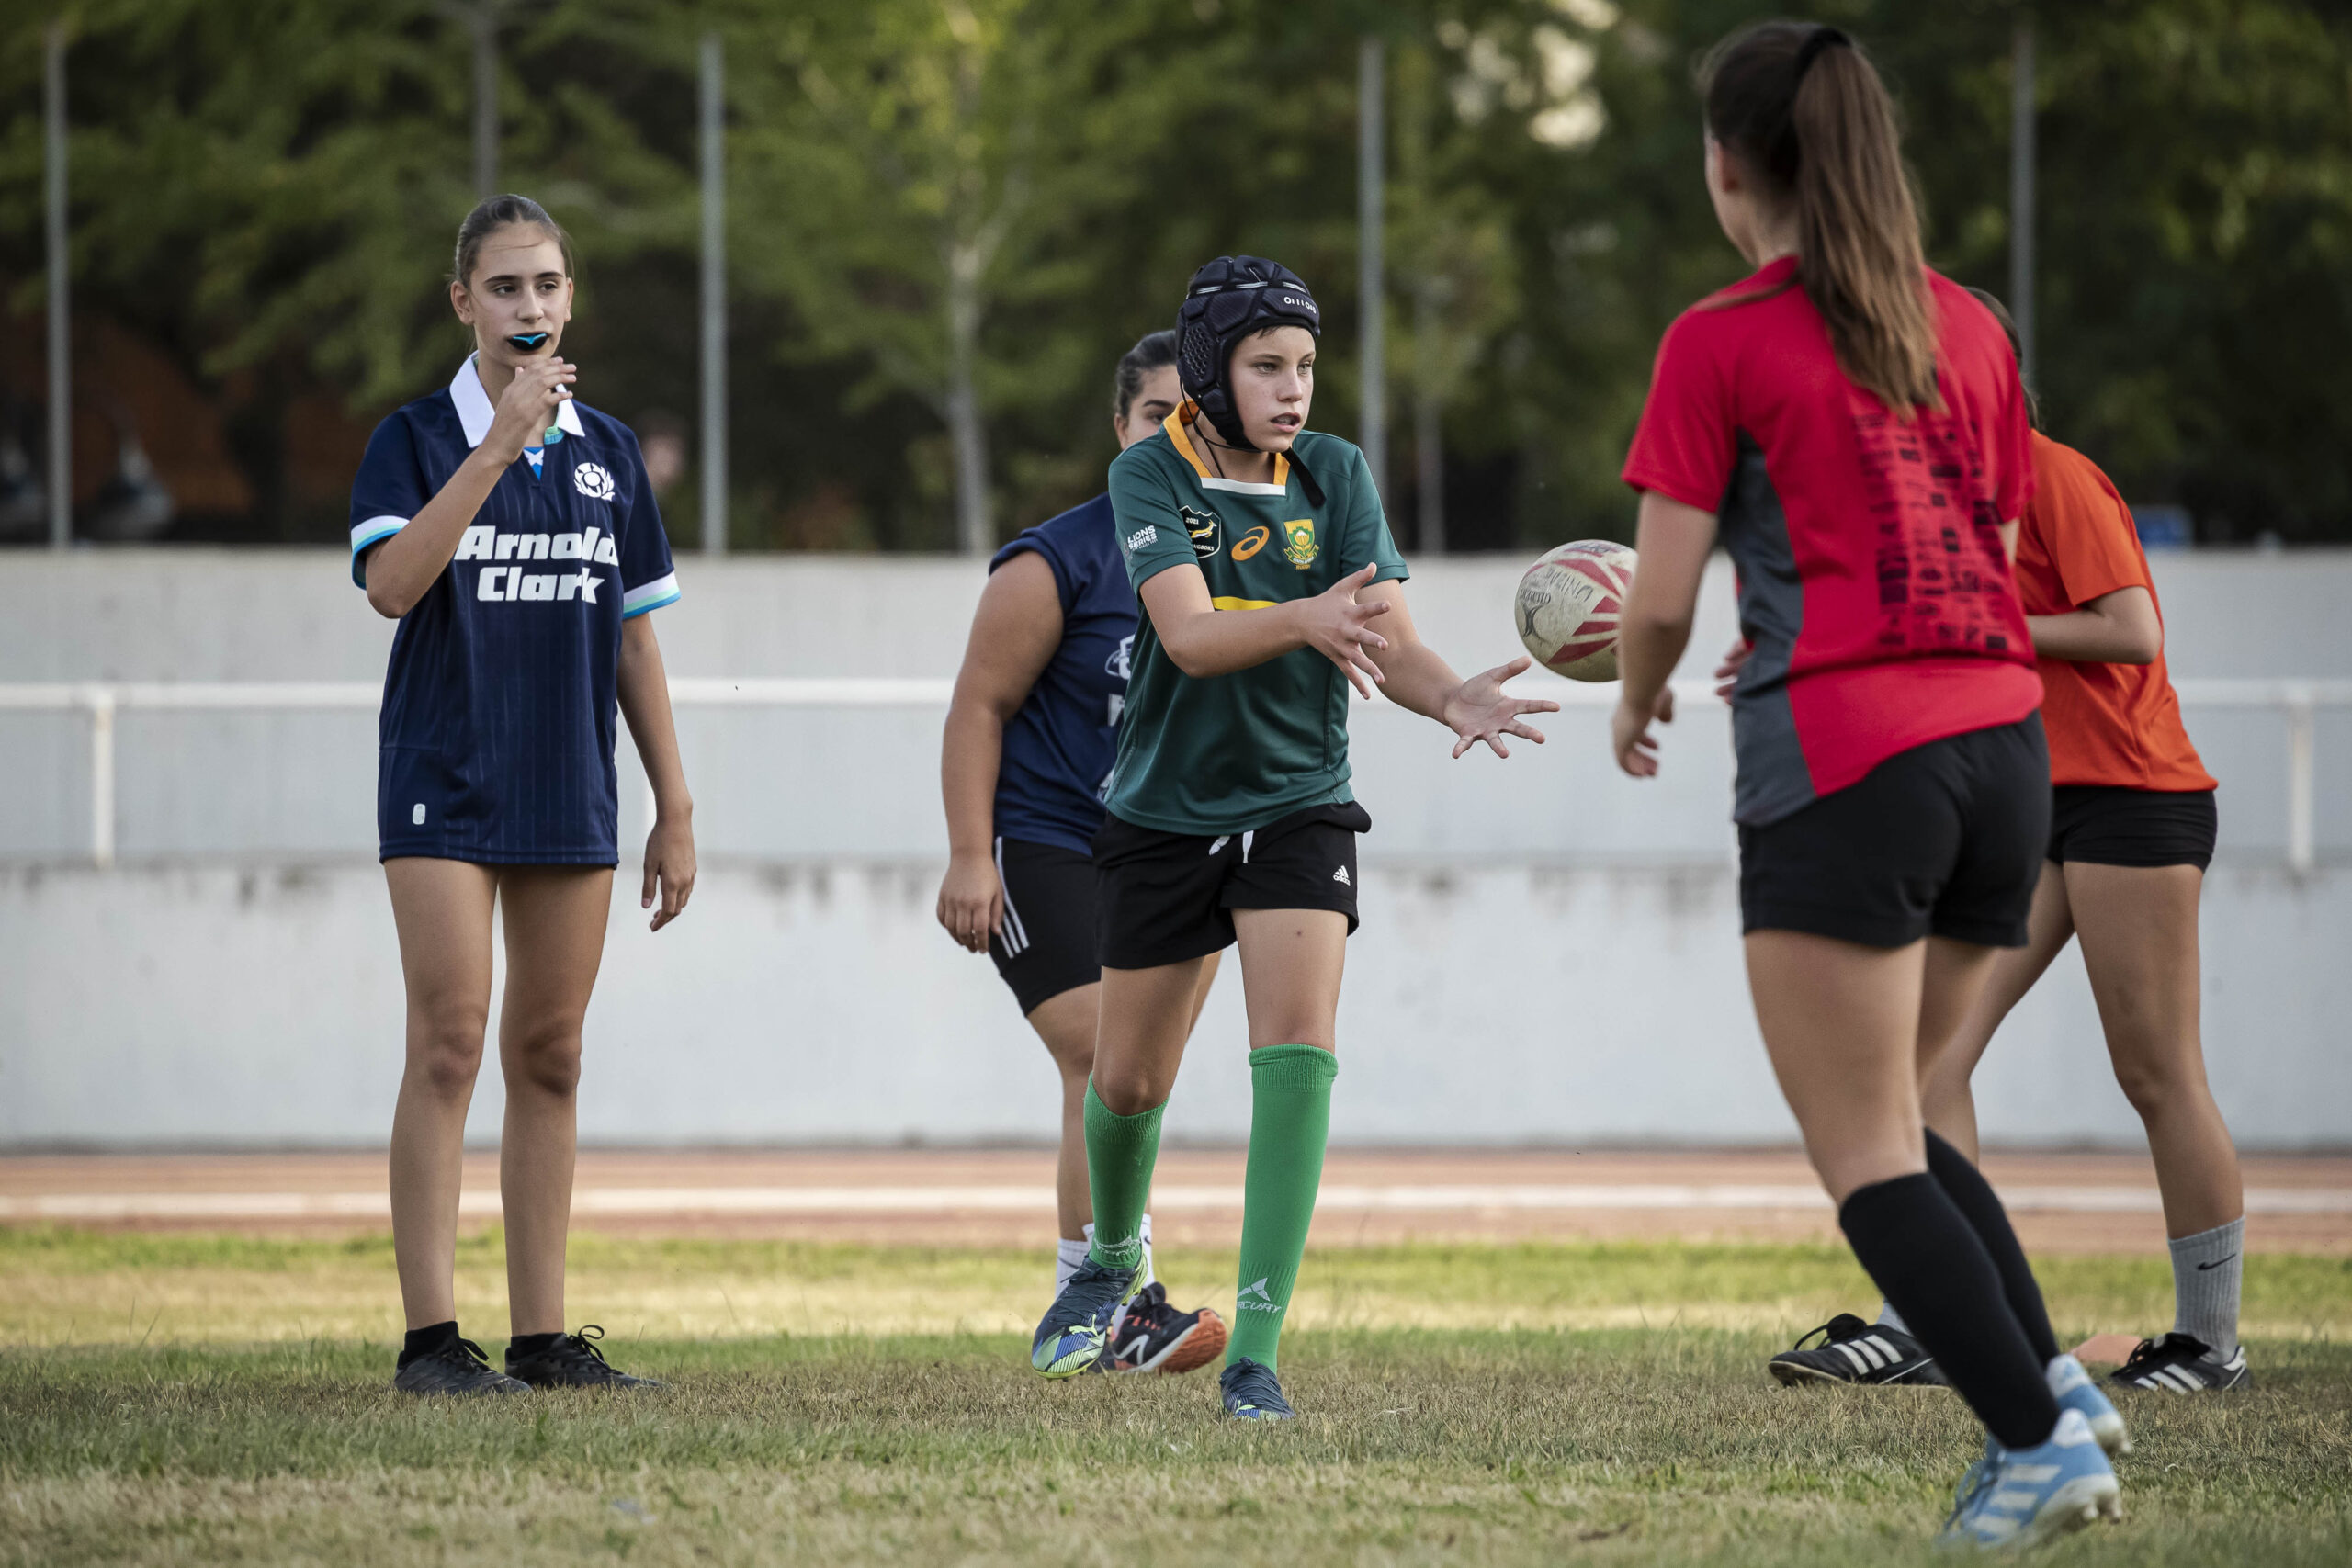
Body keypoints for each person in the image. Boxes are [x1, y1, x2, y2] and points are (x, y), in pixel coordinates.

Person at [1611, 25, 2126, 1548]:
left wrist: (1636, 702)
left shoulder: (1725, 336)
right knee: (1912, 1111)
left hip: (1850, 760)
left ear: (1727, 166)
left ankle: (2036, 1444)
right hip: (2006, 754)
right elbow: (1985, 527)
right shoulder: (1971, 325)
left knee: (1867, 1156)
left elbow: (1655, 598)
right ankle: (2054, 1385)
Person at [1027, 255, 1556, 1421]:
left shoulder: (1337, 473)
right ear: (1211, 371)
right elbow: (1189, 637)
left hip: (1300, 801)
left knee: (1297, 1051)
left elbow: (1392, 641)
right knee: (1124, 1080)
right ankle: (1115, 1256)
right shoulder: (1146, 472)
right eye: (1267, 365)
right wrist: (1307, 617)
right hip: (1163, 812)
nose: (1294, 388)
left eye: (1306, 366)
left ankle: (1257, 1352)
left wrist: (1452, 695)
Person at [1784, 289, 2249, 1396]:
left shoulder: (2051, 473)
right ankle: (1933, 1318)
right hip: (2030, 807)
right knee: (1920, 1060)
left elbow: (2130, 628)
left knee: (2153, 1069)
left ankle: (2209, 1345)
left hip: (2134, 799)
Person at [350, 194, 695, 1396]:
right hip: (444, 771)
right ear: (463, 302)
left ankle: (544, 1338)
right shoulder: (413, 437)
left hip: (569, 782)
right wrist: (494, 447)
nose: (530, 309)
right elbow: (394, 584)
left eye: (547, 285)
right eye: (505, 288)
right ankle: (431, 1341)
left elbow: (636, 642)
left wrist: (676, 802)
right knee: (448, 1043)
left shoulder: (604, 452)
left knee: (549, 1051)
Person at [936, 330, 1227, 1375]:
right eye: (1157, 416)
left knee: (1137, 1081)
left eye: (1195, 419)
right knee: (1104, 1059)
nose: (1176, 436)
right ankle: (1108, 1297)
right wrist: (972, 855)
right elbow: (978, 705)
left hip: (1172, 851)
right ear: (1120, 430)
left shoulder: (1240, 553)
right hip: (1048, 841)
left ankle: (1103, 1303)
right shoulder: (1056, 558)